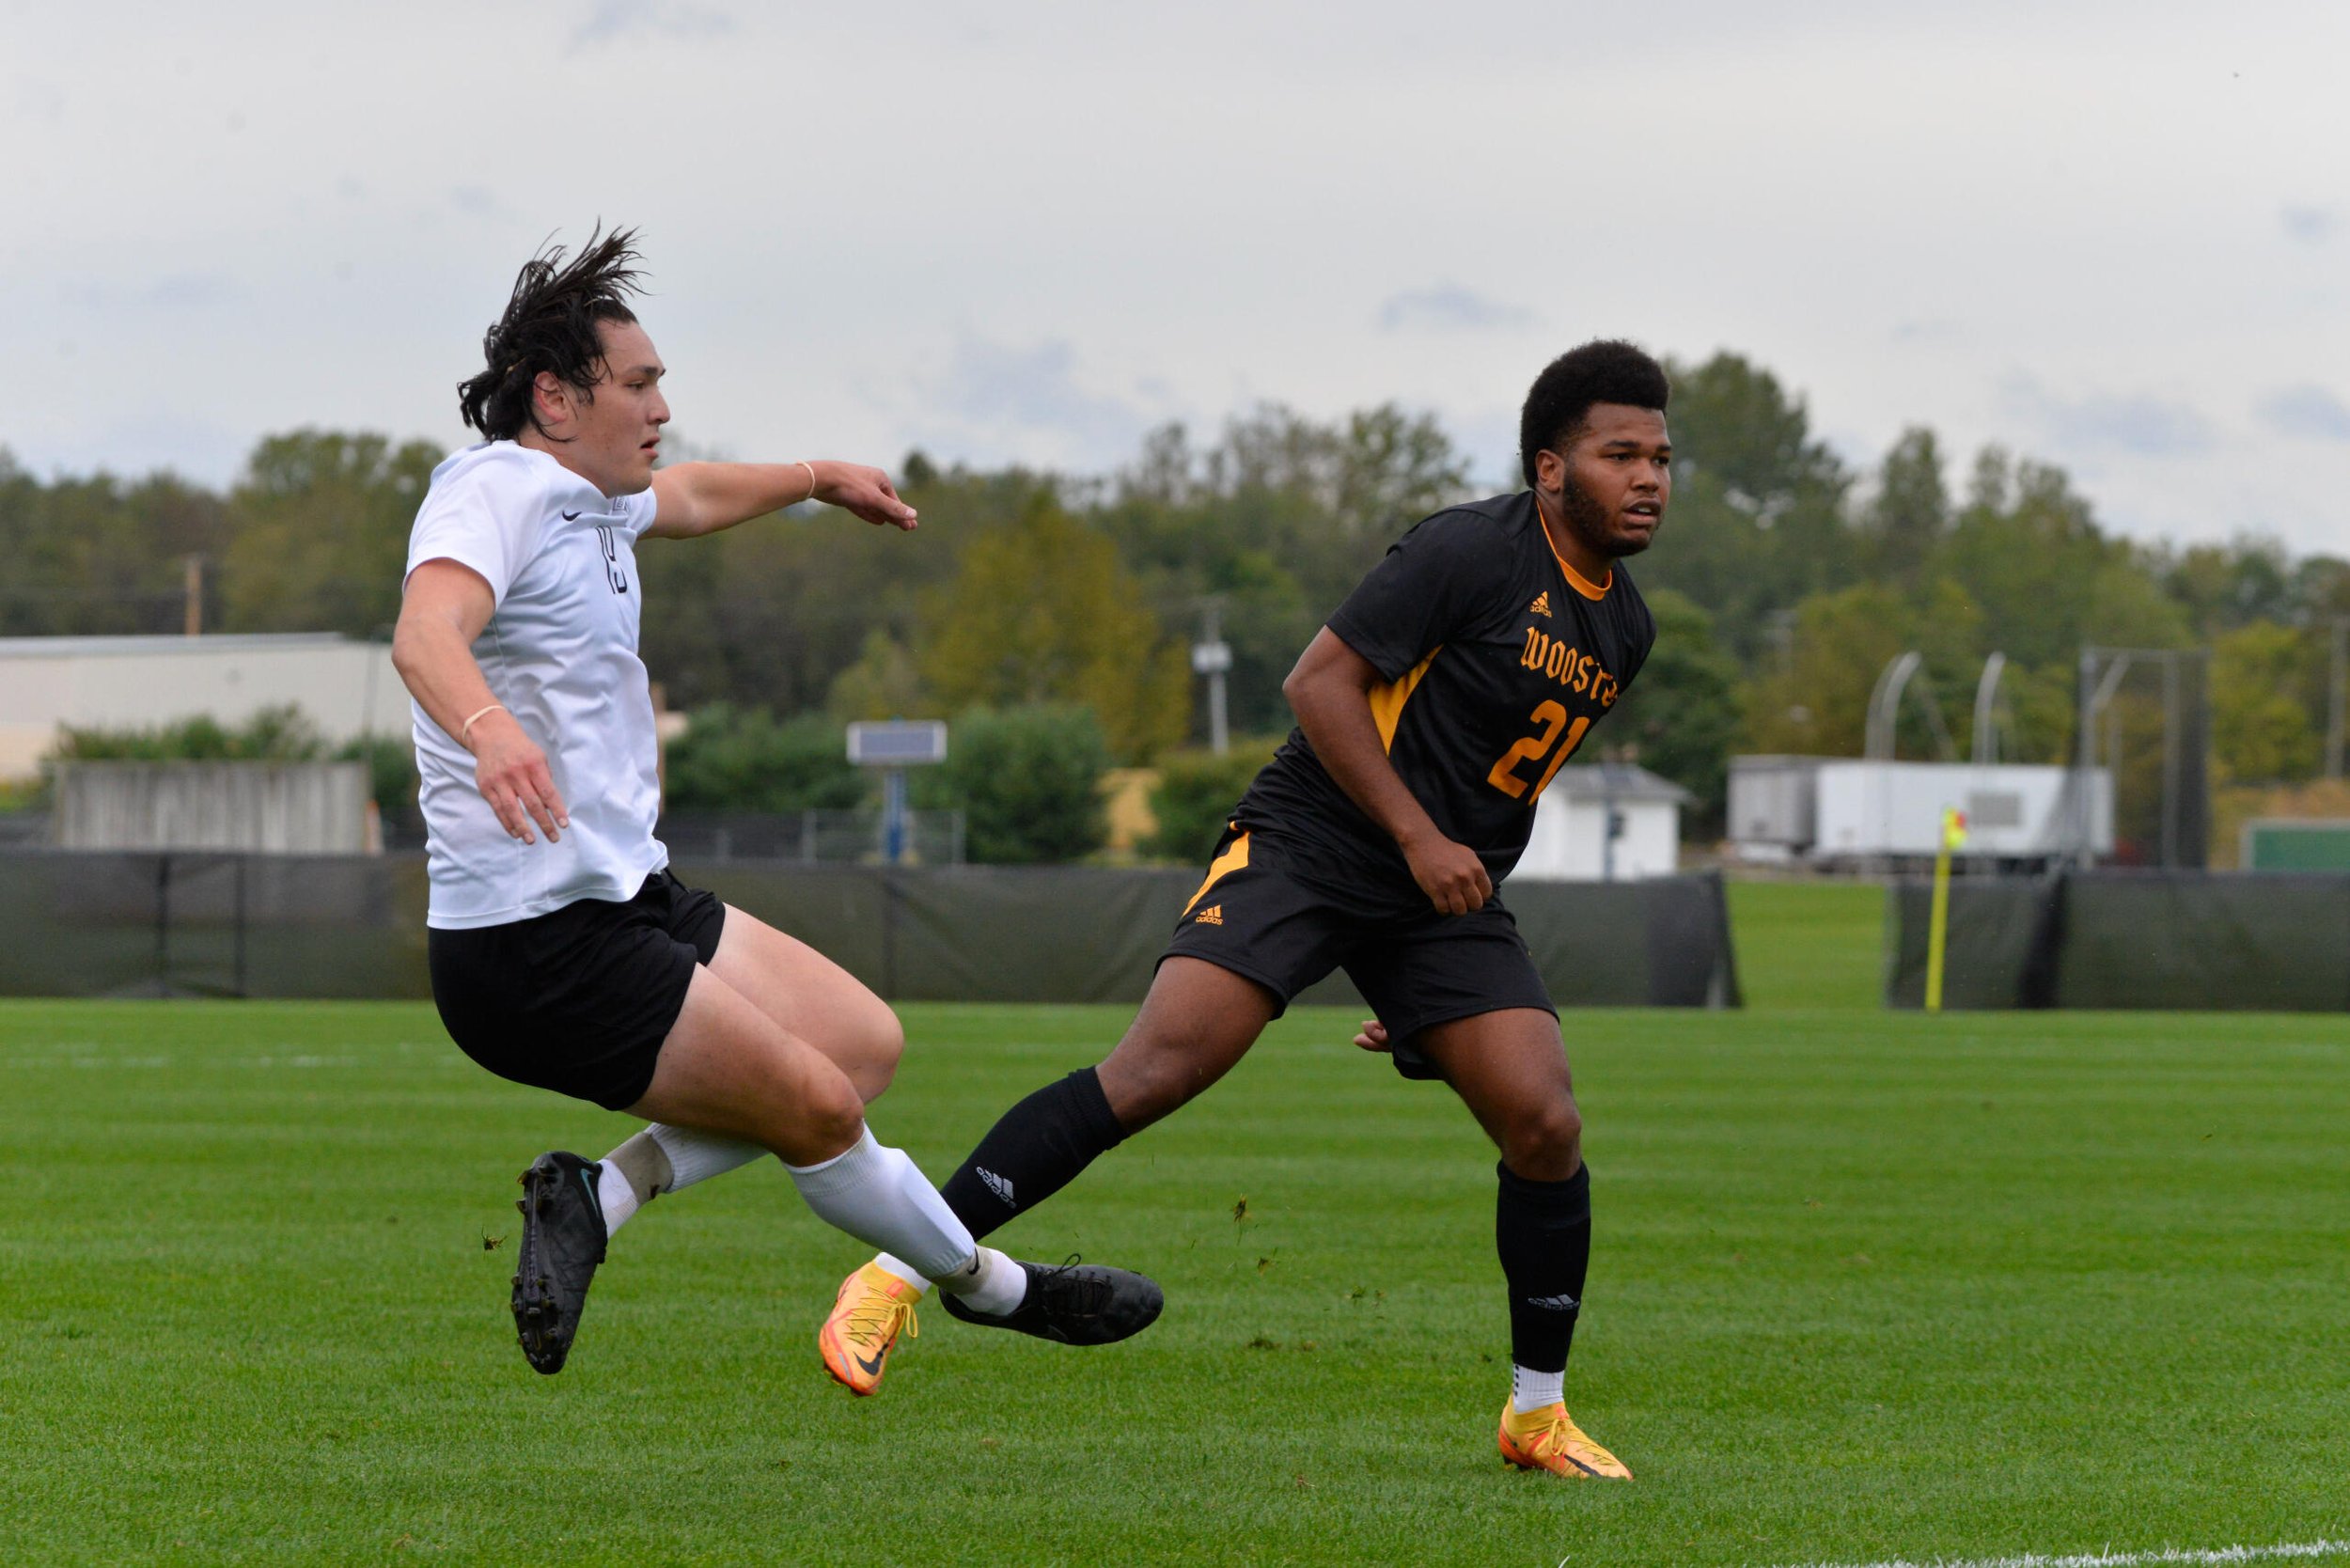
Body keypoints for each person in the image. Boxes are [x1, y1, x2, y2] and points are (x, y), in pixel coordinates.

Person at [823, 339, 1670, 1478]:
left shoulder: (1625, 628)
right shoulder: (1468, 550)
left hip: (1435, 895)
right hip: (1312, 842)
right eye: (1621, 454)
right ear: (1550, 469)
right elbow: (1316, 685)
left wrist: (1429, 994)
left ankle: (1536, 1413)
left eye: (1662, 457)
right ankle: (893, 1271)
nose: (1650, 477)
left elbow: (1488, 791)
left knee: (1546, 1122)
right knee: (1156, 1070)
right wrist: (1416, 841)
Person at [392, 227, 1162, 1390]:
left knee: (859, 1049)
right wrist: (492, 732)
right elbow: (423, 633)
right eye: (639, 383)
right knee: (810, 1107)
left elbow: (690, 496)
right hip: (528, 943)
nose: (662, 405)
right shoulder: (497, 486)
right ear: (554, 398)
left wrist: (817, 478)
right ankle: (992, 1288)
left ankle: (596, 1194)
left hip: (626, 900)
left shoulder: (594, 502)